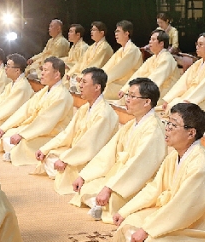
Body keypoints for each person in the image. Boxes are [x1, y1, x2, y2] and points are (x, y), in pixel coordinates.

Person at [98, 103, 205, 242]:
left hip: (201, 227)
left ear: (191, 133)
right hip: (174, 217)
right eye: (167, 123)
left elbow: (182, 209)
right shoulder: (174, 156)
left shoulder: (202, 165)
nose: (167, 129)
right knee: (130, 223)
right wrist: (126, 210)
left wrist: (148, 229)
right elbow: (154, 188)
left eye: (173, 125)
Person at [70, 78, 167, 223]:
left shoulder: (153, 130)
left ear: (147, 102)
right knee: (86, 189)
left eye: (132, 96)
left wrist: (110, 188)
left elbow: (138, 166)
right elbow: (107, 153)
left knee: (110, 200)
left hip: (135, 182)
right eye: (128, 95)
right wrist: (84, 176)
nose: (127, 99)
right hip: (117, 174)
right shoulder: (131, 124)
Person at [34, 67, 118, 195]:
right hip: (76, 152)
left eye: (84, 82)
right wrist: (45, 148)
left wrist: (67, 159)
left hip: (91, 158)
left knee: (64, 171)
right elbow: (67, 133)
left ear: (97, 87)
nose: (80, 85)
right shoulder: (85, 108)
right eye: (80, 82)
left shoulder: (104, 114)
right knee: (49, 156)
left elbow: (89, 145)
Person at [0, 56, 73, 166]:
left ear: (57, 74)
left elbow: (45, 122)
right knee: (7, 135)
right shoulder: (45, 90)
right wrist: (4, 127)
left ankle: (15, 152)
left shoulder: (62, 95)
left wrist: (22, 135)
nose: (41, 73)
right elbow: (25, 110)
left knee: (22, 144)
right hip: (35, 128)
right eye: (42, 69)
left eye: (46, 70)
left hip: (52, 133)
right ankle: (13, 150)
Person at [162, 33, 205, 114]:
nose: (197, 47)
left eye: (200, 45)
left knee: (178, 109)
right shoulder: (198, 63)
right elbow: (183, 82)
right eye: (197, 44)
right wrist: (169, 99)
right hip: (192, 96)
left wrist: (189, 101)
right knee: (172, 104)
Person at [118, 29, 180, 102]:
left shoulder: (167, 59)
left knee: (135, 100)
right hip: (150, 89)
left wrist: (137, 91)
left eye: (153, 39)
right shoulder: (152, 58)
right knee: (126, 98)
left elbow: (155, 79)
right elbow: (139, 74)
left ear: (161, 43)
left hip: (164, 93)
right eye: (150, 39)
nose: (150, 42)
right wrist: (126, 88)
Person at [102, 20, 143, 100]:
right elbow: (109, 66)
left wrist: (102, 80)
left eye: (118, 31)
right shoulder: (121, 50)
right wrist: (97, 76)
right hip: (118, 81)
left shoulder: (132, 50)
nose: (115, 34)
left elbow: (119, 70)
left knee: (104, 89)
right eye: (115, 31)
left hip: (128, 83)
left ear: (126, 33)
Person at [64, 21, 114, 87]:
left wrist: (82, 75)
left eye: (94, 30)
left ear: (101, 33)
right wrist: (71, 73)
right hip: (82, 73)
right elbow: (81, 62)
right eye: (91, 30)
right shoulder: (92, 47)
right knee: (66, 76)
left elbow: (96, 64)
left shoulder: (104, 47)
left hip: (95, 76)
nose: (91, 32)